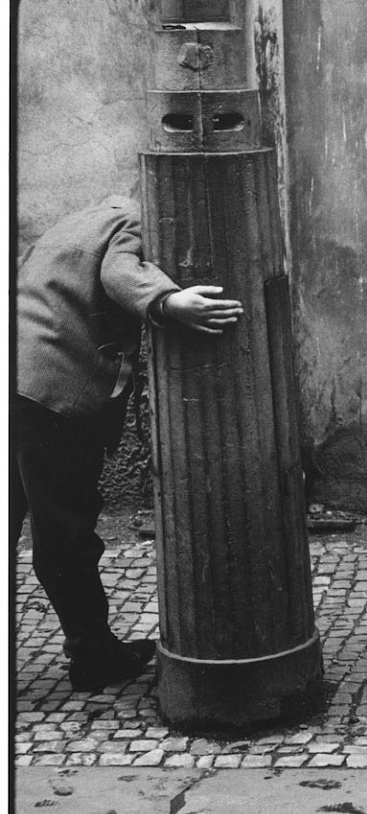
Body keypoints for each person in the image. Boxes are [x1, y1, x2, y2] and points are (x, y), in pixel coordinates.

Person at [12, 195, 244, 692]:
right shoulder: (133, 219)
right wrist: (168, 301)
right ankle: (93, 655)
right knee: (64, 533)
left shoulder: (71, 221)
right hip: (51, 393)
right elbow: (120, 273)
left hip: (14, 380)